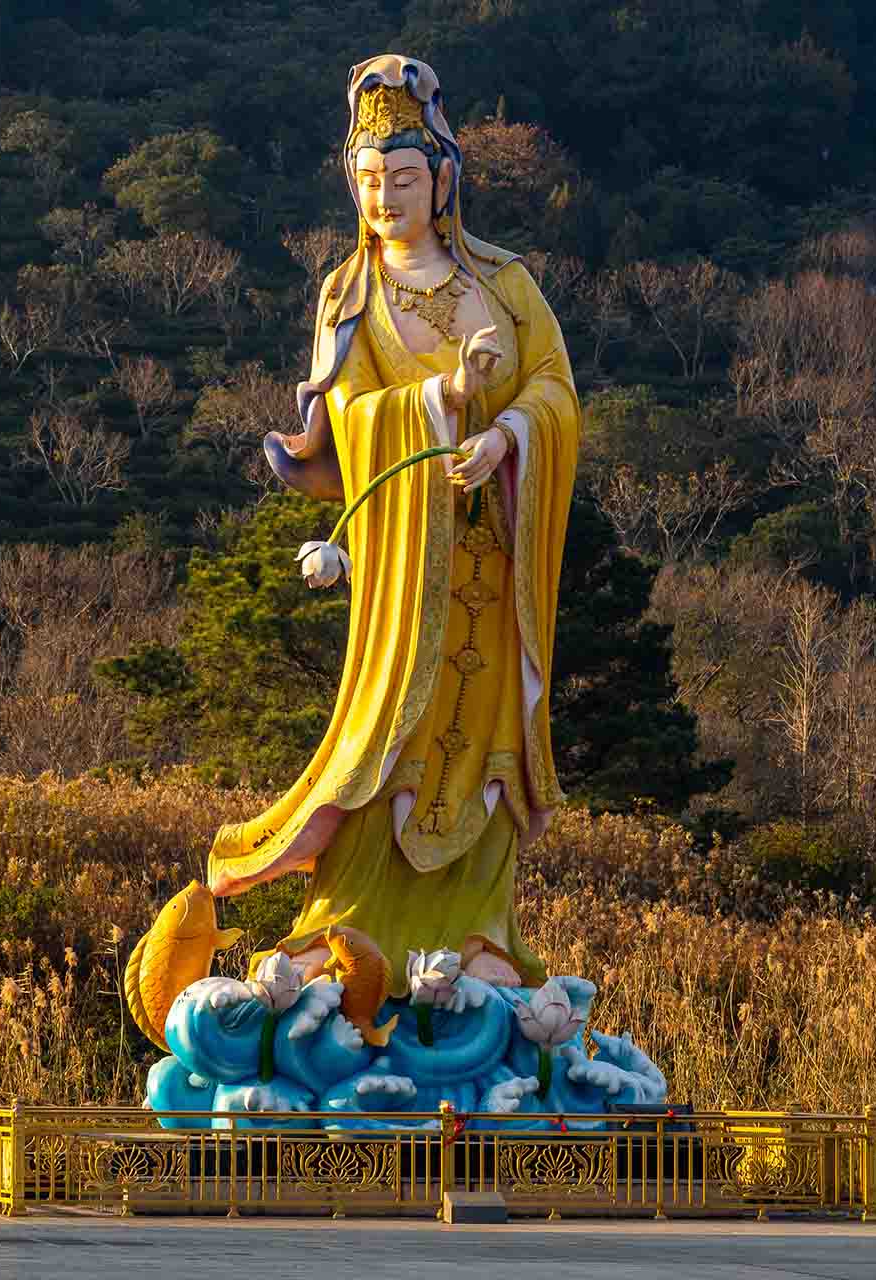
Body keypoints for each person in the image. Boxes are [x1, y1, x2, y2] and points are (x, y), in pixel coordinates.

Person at [205, 55, 580, 995]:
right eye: (369, 182)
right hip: (408, 566)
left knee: (486, 737)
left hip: (494, 563)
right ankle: (344, 925)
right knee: (388, 734)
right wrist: (442, 397)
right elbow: (350, 419)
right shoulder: (348, 294)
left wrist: (504, 436)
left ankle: (480, 935)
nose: (385, 199)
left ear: (441, 179)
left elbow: (558, 392)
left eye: (403, 180)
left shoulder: (506, 281)